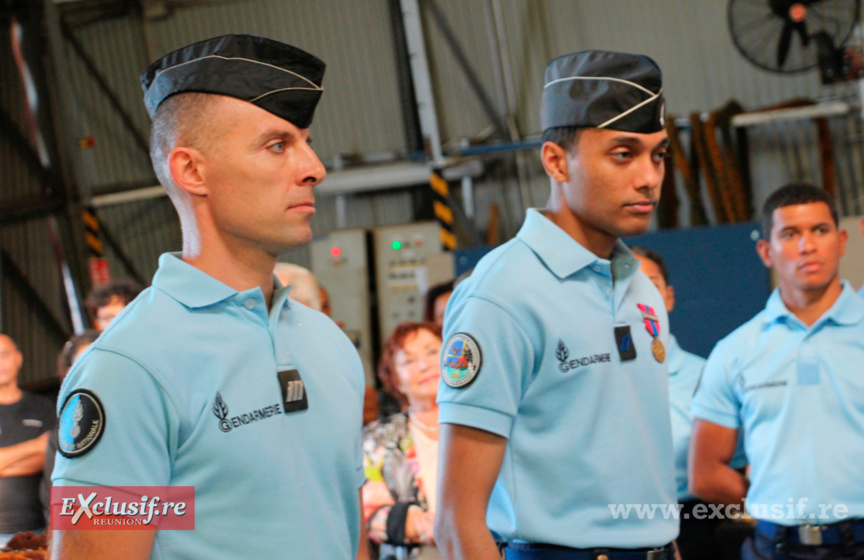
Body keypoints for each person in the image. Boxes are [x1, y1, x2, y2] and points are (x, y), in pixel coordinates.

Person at [51, 34, 367, 560]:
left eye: (306, 141)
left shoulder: (326, 341)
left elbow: (345, 530)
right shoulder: (131, 368)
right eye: (278, 145)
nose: (314, 167)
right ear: (191, 171)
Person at [435, 50, 677, 560]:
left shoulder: (641, 287)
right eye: (623, 154)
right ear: (555, 160)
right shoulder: (502, 295)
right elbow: (457, 523)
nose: (649, 177)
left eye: (657, 155)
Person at [689, 183, 864, 560]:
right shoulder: (735, 351)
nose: (807, 246)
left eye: (820, 230)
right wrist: (772, 502)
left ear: (842, 239)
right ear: (766, 251)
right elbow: (704, 474)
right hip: (776, 548)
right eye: (790, 234)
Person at [632, 246, 748, 560]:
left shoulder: (707, 374)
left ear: (668, 297)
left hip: (696, 525)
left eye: (650, 285)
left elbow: (741, 466)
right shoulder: (585, 378)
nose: (638, 298)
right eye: (625, 286)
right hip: (613, 526)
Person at [363, 321, 443, 560]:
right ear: (395, 379)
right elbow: (368, 511)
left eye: (432, 352)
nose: (424, 365)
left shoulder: (485, 424)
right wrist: (421, 526)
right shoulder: (378, 439)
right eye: (408, 361)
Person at [0, 334, 54, 546]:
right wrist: (34, 446)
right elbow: (41, 449)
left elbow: (52, 456)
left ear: (19, 358)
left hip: (37, 532)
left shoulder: (44, 407)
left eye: (4, 355)